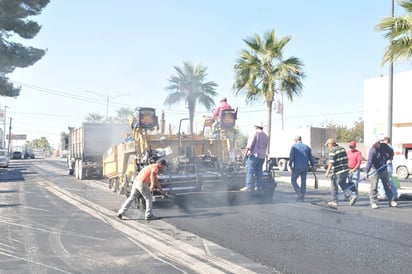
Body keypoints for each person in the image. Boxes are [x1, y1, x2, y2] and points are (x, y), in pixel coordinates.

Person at [324, 138, 358, 208]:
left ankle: (334, 201)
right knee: (343, 184)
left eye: (328, 145)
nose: (328, 147)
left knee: (334, 186)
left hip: (338, 171)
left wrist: (327, 172)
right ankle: (352, 196)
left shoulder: (332, 151)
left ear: (331, 144)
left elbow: (331, 163)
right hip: (345, 170)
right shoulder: (342, 149)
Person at [364, 139, 398, 209]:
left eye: (375, 144)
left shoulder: (384, 146)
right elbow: (369, 162)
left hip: (384, 168)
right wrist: (366, 172)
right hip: (375, 169)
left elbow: (391, 152)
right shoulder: (372, 150)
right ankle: (373, 202)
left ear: (378, 143)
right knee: (374, 186)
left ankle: (391, 201)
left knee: (387, 185)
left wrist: (389, 159)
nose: (374, 145)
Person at [240, 123, 269, 191]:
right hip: (262, 156)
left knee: (250, 170)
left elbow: (250, 144)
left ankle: (249, 186)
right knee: (259, 172)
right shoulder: (265, 135)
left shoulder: (255, 133)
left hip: (254, 155)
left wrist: (245, 154)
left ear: (256, 127)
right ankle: (259, 186)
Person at [288, 135, 316, 202]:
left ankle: (299, 193)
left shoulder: (294, 147)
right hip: (305, 167)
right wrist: (313, 165)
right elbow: (311, 158)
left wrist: (290, 165)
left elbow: (291, 157)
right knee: (303, 181)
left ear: (296, 140)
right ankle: (302, 196)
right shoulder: (307, 147)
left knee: (293, 180)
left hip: (297, 167)